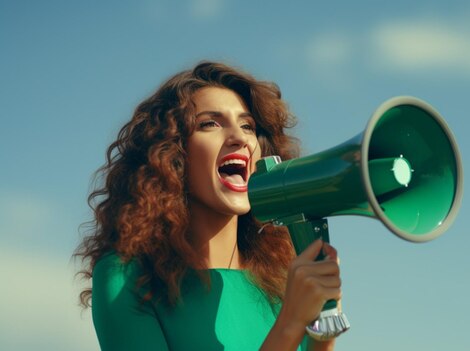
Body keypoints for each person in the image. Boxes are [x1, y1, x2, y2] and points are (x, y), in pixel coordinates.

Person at [74, 61, 342, 351]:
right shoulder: (126, 278)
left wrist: (325, 325)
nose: (240, 137)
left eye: (247, 126)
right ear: (172, 155)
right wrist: (290, 322)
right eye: (210, 124)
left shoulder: (279, 282)